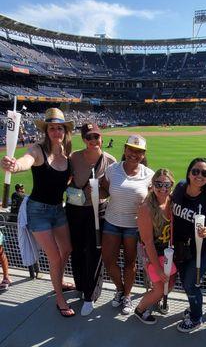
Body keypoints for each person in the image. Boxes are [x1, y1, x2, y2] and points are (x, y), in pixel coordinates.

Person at [0, 107, 75, 317]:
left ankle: (58, 282)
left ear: (65, 131)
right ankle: (59, 299)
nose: (56, 132)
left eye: (60, 128)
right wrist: (13, 166)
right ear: (47, 131)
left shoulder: (67, 156)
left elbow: (69, 181)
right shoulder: (37, 150)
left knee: (67, 248)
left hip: (58, 210)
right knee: (55, 258)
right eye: (52, 128)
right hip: (38, 211)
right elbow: (25, 162)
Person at [66, 123, 116, 316]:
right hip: (75, 209)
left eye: (96, 136)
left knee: (95, 253)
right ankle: (80, 285)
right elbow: (66, 178)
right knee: (77, 250)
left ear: (101, 138)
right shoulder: (74, 157)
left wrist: (100, 190)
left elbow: (113, 188)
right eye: (89, 137)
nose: (93, 141)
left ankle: (90, 295)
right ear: (84, 140)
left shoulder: (109, 161)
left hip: (98, 210)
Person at [102, 135, 154, 315]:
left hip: (133, 225)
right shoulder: (112, 169)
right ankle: (120, 289)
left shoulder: (149, 174)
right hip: (111, 221)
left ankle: (127, 295)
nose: (134, 154)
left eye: (139, 151)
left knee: (130, 263)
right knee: (109, 261)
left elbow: (154, 201)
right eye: (131, 149)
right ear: (125, 149)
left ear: (143, 154)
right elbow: (102, 188)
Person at [172, 158, 206, 332]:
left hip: (203, 248)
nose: (199, 176)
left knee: (190, 283)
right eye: (195, 171)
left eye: (204, 173)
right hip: (180, 246)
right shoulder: (180, 187)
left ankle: (196, 318)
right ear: (189, 173)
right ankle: (195, 307)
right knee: (186, 282)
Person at [135, 168, 176, 325]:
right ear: (152, 185)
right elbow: (148, 242)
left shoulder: (171, 202)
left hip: (168, 252)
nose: (163, 188)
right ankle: (140, 309)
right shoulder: (146, 208)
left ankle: (157, 300)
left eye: (167, 184)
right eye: (158, 184)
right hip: (151, 253)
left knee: (170, 284)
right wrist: (158, 268)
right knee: (159, 288)